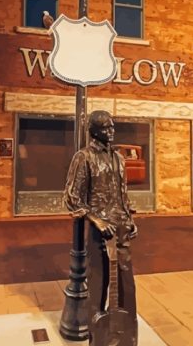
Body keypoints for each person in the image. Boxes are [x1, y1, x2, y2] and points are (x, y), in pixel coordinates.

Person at [64, 110, 138, 346]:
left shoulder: (118, 158)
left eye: (112, 127)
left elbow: (122, 195)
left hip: (122, 232)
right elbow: (72, 198)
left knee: (127, 288)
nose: (111, 131)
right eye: (106, 127)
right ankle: (99, 339)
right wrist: (97, 220)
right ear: (94, 131)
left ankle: (127, 337)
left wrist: (130, 219)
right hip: (99, 236)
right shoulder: (83, 157)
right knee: (98, 286)